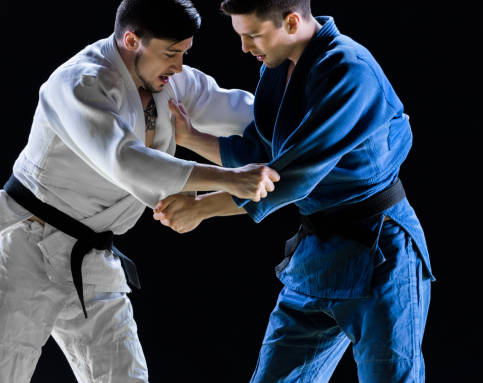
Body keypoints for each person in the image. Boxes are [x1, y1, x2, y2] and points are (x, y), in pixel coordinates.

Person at [0, 0, 280, 382]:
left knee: (125, 377)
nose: (179, 66)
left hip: (92, 257)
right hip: (27, 247)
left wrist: (306, 118)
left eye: (184, 53)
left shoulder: (169, 81)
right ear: (132, 40)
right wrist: (227, 177)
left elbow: (237, 111)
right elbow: (126, 160)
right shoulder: (80, 82)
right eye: (171, 54)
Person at [154, 0, 434, 381]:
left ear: (291, 21)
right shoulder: (280, 66)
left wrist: (203, 207)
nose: (245, 47)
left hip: (380, 252)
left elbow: (295, 174)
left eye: (252, 35)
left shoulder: (350, 71)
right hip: (317, 254)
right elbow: (262, 151)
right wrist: (191, 137)